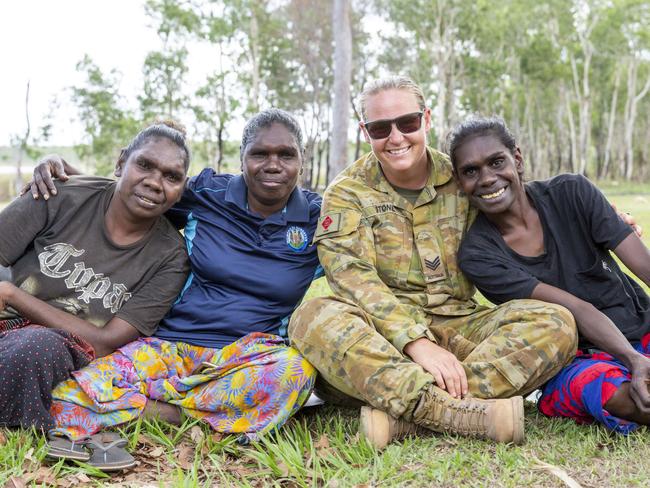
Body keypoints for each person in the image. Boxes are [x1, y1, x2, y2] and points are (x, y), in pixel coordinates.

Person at [288, 76, 579, 449]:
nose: (395, 138)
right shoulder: (348, 192)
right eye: (380, 128)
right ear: (365, 132)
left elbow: (523, 205)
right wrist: (415, 343)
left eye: (407, 123)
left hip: (461, 328)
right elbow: (352, 277)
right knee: (311, 317)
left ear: (426, 119)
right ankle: (459, 412)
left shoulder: (462, 177)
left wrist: (597, 220)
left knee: (556, 321)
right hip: (381, 343)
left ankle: (409, 414)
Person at [29, 109, 319, 456]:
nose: (273, 164)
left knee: (294, 373)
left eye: (286, 154)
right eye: (260, 153)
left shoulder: (321, 218)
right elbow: (134, 194)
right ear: (242, 158)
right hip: (169, 345)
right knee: (64, 398)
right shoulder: (208, 194)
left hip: (250, 354)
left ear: (302, 161)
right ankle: (193, 413)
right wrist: (59, 168)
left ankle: (153, 407)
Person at [451, 116, 650, 434]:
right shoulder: (478, 255)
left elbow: (644, 266)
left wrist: (641, 356)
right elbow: (576, 308)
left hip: (643, 330)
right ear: (459, 182)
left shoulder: (572, 193)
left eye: (496, 162)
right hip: (577, 360)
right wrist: (633, 360)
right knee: (619, 395)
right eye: (470, 171)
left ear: (516, 158)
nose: (487, 178)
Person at [0, 121, 190, 437]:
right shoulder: (59, 195)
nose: (155, 182)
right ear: (120, 162)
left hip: (58, 345)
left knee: (36, 349)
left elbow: (102, 344)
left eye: (171, 177)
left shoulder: (170, 257)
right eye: (144, 165)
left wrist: (13, 294)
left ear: (182, 189)